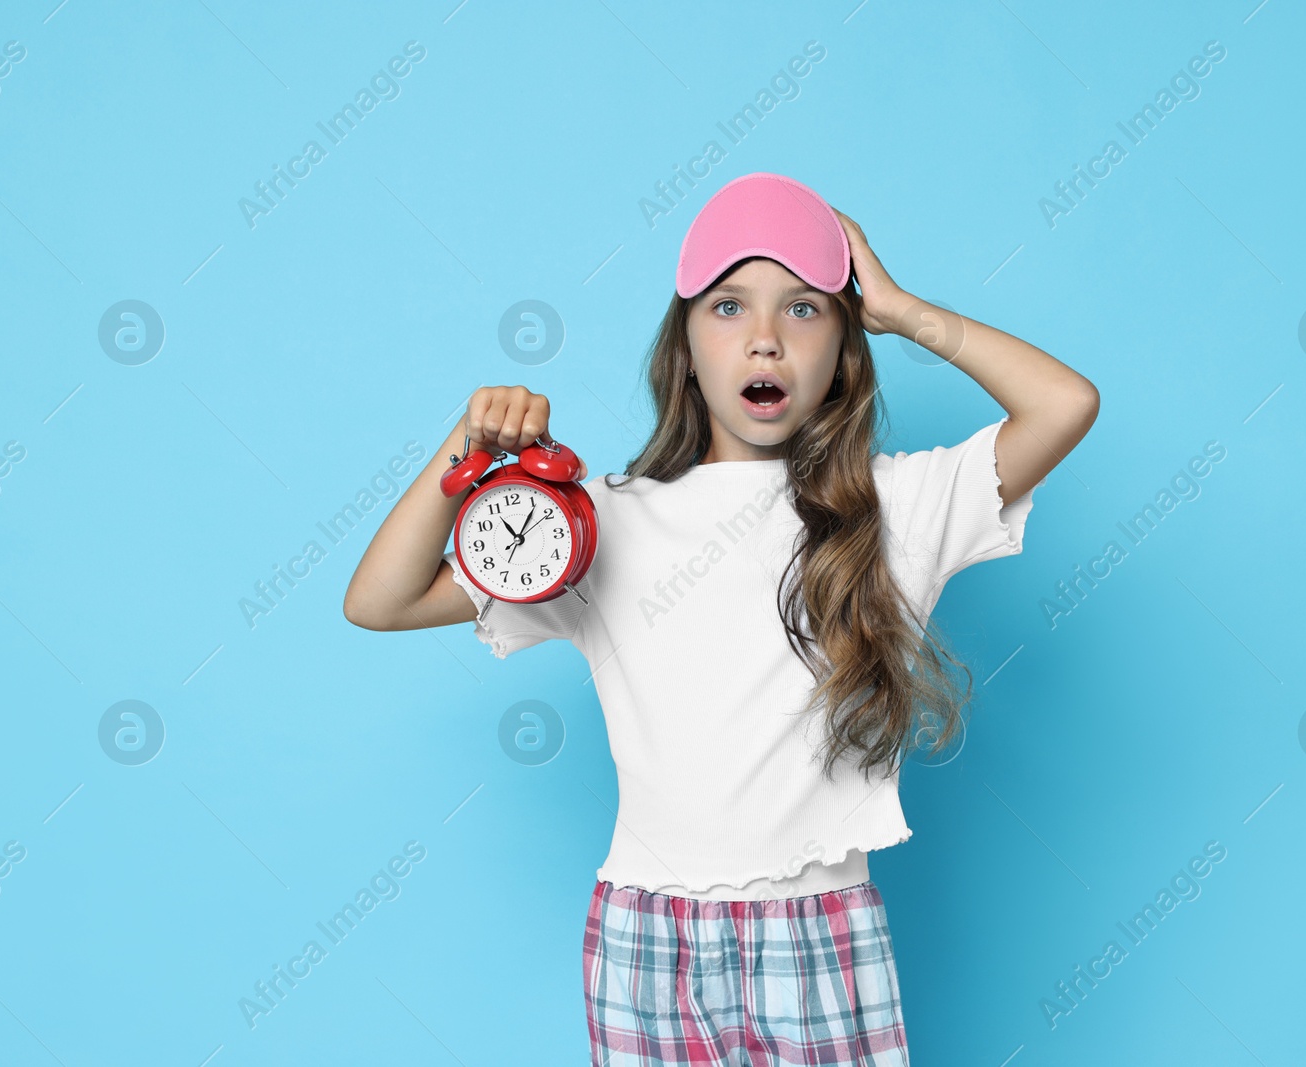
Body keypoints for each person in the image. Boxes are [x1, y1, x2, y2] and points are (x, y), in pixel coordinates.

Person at [344, 171, 1099, 1066]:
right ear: (686, 345)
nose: (767, 340)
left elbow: (1066, 404)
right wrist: (467, 449)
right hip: (644, 934)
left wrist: (901, 310)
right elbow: (380, 600)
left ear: (846, 350)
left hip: (819, 932)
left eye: (807, 309)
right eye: (730, 306)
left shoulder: (894, 508)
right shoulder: (601, 521)